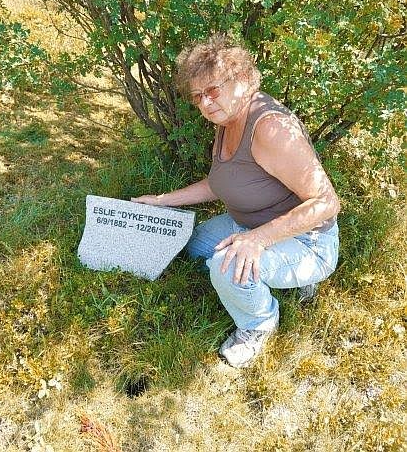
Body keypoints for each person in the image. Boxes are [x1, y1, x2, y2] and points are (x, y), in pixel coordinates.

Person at [131, 34, 340, 368]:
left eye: (213, 90)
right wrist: (161, 201)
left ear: (243, 79)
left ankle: (258, 324)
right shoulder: (228, 120)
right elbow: (219, 183)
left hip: (306, 241)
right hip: (248, 223)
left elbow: (327, 203)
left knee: (228, 267)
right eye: (198, 96)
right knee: (194, 243)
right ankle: (256, 280)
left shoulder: (270, 128)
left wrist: (256, 240)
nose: (205, 103)